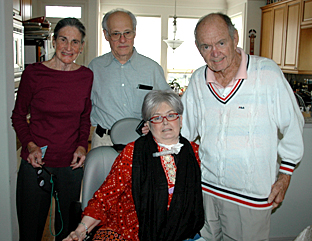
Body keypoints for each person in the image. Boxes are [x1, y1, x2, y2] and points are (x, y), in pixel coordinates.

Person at [181, 13, 304, 240]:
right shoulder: (198, 80)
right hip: (206, 189)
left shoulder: (267, 73)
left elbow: (293, 126)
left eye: (221, 43)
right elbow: (184, 131)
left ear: (235, 38)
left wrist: (285, 175)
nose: (215, 53)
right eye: (206, 46)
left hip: (251, 196)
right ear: (198, 48)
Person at [64, 90, 205, 241]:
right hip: (132, 232)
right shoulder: (133, 153)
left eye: (171, 115)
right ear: (148, 126)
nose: (165, 122)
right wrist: (81, 230)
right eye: (157, 118)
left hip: (182, 232)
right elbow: (105, 198)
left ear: (181, 120)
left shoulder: (195, 153)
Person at [11, 18, 93, 241]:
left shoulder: (85, 76)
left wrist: (81, 147)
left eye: (75, 42)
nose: (69, 47)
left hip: (71, 166)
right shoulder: (34, 74)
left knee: (68, 233)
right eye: (63, 40)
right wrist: (30, 146)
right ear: (54, 41)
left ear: (82, 46)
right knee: (30, 231)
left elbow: (85, 118)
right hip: (35, 163)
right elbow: (18, 116)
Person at [89, 8, 171, 149]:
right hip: (104, 143)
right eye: (116, 34)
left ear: (135, 32)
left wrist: (153, 122)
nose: (122, 40)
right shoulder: (94, 68)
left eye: (127, 33)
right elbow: (83, 107)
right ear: (106, 35)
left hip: (142, 142)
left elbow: (169, 107)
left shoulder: (152, 69)